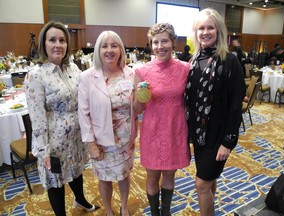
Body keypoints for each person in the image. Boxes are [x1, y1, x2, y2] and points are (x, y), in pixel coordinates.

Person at [25, 21, 99, 216]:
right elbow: (37, 117)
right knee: (55, 181)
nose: (58, 44)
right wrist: (44, 151)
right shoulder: (36, 75)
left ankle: (80, 200)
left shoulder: (73, 68)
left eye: (62, 40)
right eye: (52, 40)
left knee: (76, 171)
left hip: (76, 136)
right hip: (54, 142)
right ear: (44, 44)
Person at [185, 8, 246, 216]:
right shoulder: (193, 61)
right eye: (201, 28)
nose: (205, 32)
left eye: (210, 27)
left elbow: (236, 105)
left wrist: (229, 141)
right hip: (200, 135)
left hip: (219, 135)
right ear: (196, 32)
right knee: (209, 180)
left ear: (219, 30)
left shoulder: (230, 61)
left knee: (201, 184)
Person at [133, 23, 191, 216]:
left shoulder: (186, 69)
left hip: (175, 129)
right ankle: (155, 213)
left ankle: (165, 212)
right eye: (155, 42)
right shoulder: (142, 72)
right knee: (152, 175)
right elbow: (136, 109)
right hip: (152, 130)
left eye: (164, 41)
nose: (160, 46)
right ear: (151, 45)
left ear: (173, 42)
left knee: (169, 174)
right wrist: (141, 97)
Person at [78, 30, 137, 216]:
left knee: (124, 175)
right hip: (101, 140)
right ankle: (109, 210)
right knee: (104, 178)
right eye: (105, 46)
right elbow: (83, 113)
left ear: (121, 49)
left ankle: (124, 207)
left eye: (114, 45)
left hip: (126, 138)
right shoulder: (87, 77)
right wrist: (91, 144)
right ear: (97, 50)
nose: (109, 50)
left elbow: (135, 106)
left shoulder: (130, 74)